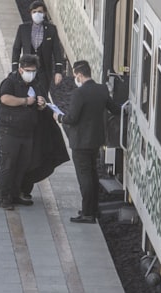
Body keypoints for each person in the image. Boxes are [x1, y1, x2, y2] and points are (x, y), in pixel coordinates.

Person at [56, 60, 119, 223]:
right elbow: (115, 109)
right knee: (92, 175)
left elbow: (72, 118)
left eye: (75, 75)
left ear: (80, 75)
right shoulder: (102, 89)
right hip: (96, 141)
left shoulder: (80, 93)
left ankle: (87, 214)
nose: (75, 78)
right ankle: (93, 209)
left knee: (85, 178)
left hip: (81, 142)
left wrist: (59, 117)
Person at [0, 55, 46, 210]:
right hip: (9, 130)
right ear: (20, 69)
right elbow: (5, 99)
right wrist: (25, 101)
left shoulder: (36, 83)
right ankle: (4, 197)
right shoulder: (10, 82)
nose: (31, 74)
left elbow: (40, 100)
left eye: (34, 71)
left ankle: (15, 193)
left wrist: (41, 103)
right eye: (28, 71)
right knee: (8, 164)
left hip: (27, 132)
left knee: (22, 165)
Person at [10, 0, 66, 99]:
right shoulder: (23, 29)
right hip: (27, 68)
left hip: (44, 70)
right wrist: (15, 68)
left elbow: (57, 51)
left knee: (42, 94)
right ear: (31, 13)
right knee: (26, 92)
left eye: (40, 12)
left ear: (44, 13)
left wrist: (58, 71)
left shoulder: (51, 29)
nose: (37, 14)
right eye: (34, 12)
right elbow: (16, 49)